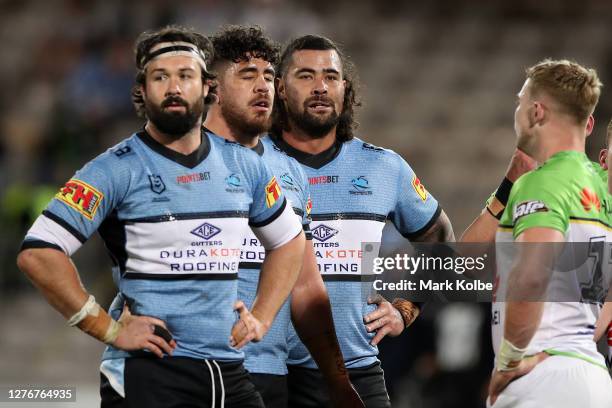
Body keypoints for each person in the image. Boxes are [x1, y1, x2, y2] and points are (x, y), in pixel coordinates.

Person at [17, 25, 306, 408]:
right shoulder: (112, 170)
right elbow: (39, 253)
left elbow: (289, 240)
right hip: (151, 374)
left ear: (207, 87)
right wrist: (106, 327)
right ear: (141, 90)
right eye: (160, 77)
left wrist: (262, 316)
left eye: (185, 76)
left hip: (230, 372)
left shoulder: (244, 165)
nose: (173, 88)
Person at [271, 34, 454, 407]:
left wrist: (407, 308)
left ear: (345, 87)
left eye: (330, 76)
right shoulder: (252, 163)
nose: (320, 87)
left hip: (356, 369)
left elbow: (440, 239)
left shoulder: (384, 166)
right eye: (305, 76)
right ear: (280, 88)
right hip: (268, 372)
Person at [203, 25, 363, 408]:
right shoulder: (173, 156)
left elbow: (306, 287)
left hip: (268, 371)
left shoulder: (289, 173)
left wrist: (337, 381)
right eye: (247, 75)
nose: (262, 86)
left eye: (269, 77)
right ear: (213, 88)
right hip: (187, 366)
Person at [488, 59, 612, 407]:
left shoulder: (542, 182)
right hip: (590, 372)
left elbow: (531, 279)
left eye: (520, 102)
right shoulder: (600, 187)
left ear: (536, 112)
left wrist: (510, 360)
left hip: (543, 375)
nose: (517, 111)